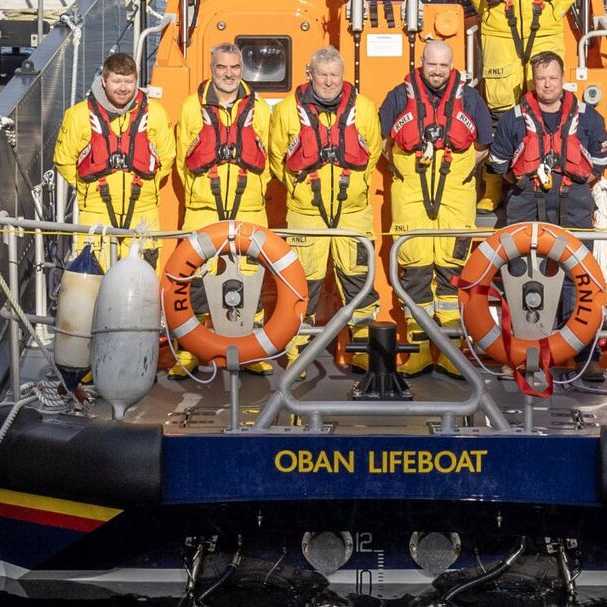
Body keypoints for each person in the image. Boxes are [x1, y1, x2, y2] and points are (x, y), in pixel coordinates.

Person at [465, 0, 580, 210]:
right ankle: (493, 186)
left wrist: (553, 13)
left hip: (544, 32)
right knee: (500, 111)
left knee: (546, 103)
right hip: (501, 34)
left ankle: (546, 180)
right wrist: (492, 18)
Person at [379, 40, 493, 375]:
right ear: (422, 63)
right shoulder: (398, 96)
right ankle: (417, 349)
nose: (438, 71)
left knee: (451, 273)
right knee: (414, 271)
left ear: (452, 65)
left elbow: (484, 143)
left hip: (455, 197)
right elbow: (381, 140)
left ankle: (449, 351)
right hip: (410, 195)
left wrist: (459, 171)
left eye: (444, 65)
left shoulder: (470, 98)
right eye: (432, 65)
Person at [269, 47, 382, 367]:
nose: (329, 81)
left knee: (359, 281)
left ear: (342, 76)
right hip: (306, 214)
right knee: (303, 284)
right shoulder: (286, 111)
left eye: (335, 74)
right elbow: (277, 159)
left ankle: (361, 351)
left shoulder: (365, 108)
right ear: (310, 74)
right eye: (323, 74)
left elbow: (372, 153)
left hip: (353, 213)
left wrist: (354, 188)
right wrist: (299, 190)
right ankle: (297, 353)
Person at [174, 43, 273, 374]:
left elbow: (269, 158)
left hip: (248, 205)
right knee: (198, 276)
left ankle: (251, 348)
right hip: (203, 206)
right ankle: (192, 348)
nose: (228, 74)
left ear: (241, 69)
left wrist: (255, 191)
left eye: (234, 68)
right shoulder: (191, 107)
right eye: (221, 68)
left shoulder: (261, 109)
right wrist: (199, 193)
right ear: (211, 68)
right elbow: (181, 162)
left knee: (249, 276)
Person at [54, 50, 175, 268]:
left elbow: (168, 156)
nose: (123, 88)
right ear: (104, 80)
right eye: (117, 81)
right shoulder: (78, 115)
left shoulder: (156, 113)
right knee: (93, 279)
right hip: (96, 210)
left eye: (129, 82)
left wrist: (149, 186)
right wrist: (87, 188)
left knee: (143, 281)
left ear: (137, 81)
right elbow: (63, 159)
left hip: (143, 211)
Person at [487, 50, 607, 230]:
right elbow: (499, 162)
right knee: (523, 256)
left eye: (553, 78)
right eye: (541, 78)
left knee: (577, 255)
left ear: (562, 78)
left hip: (575, 202)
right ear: (534, 81)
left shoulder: (589, 117)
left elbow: (601, 159)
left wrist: (579, 182)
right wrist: (522, 182)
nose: (547, 84)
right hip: (525, 202)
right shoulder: (513, 119)